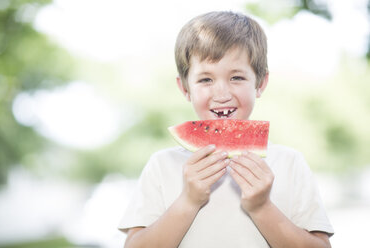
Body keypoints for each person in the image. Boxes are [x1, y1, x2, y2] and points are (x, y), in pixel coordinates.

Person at [118, 11, 334, 248]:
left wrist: (262, 207)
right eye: (205, 80)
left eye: (237, 77)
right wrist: (188, 201)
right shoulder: (161, 165)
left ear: (260, 83)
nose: (221, 94)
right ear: (184, 88)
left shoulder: (291, 163)